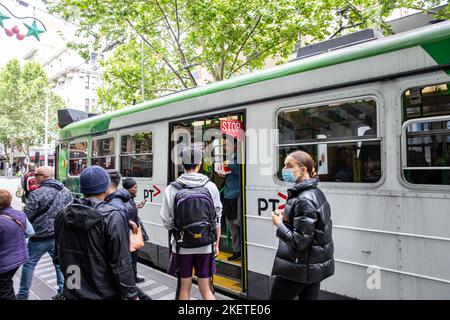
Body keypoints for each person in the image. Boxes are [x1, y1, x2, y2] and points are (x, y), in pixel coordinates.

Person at [54, 166, 140, 300]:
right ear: (107, 188)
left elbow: (59, 256)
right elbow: (121, 263)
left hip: (72, 291)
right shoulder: (113, 217)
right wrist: (132, 295)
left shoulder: (62, 215)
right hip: (104, 293)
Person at [160, 145, 222, 300]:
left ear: (182, 163)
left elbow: (167, 221)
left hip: (182, 246)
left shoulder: (172, 188)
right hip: (205, 245)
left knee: (184, 289)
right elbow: (217, 218)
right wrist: (216, 243)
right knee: (206, 289)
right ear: (199, 163)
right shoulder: (210, 186)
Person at [270, 150, 334, 300]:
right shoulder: (315, 192)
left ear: (303, 170)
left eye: (289, 165)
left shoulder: (303, 199)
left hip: (298, 268)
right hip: (312, 267)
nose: (284, 169)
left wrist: (279, 224)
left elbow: (299, 241)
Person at [17, 166, 73, 300]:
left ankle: (23, 294)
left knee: (29, 264)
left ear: (43, 177)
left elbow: (26, 216)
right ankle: (63, 291)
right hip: (58, 236)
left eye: (36, 175)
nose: (34, 177)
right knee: (59, 265)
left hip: (39, 237)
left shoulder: (36, 194)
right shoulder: (66, 192)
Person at [0, 190, 29, 300]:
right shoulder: (20, 214)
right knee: (6, 285)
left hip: (4, 263)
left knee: (4, 290)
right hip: (19, 257)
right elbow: (29, 232)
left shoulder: (2, 222)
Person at [122, 177, 149, 284]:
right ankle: (132, 277)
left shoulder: (128, 199)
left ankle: (133, 276)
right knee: (132, 256)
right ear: (129, 189)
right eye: (135, 187)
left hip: (131, 234)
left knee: (133, 256)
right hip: (130, 234)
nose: (137, 189)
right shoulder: (127, 200)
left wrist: (136, 207)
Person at [219, 137, 241, 261]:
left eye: (227, 145)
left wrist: (230, 165)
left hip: (237, 194)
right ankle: (236, 250)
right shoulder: (230, 158)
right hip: (228, 194)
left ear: (235, 145)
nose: (225, 148)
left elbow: (241, 171)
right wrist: (222, 173)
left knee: (238, 224)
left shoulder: (239, 157)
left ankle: (241, 250)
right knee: (230, 224)